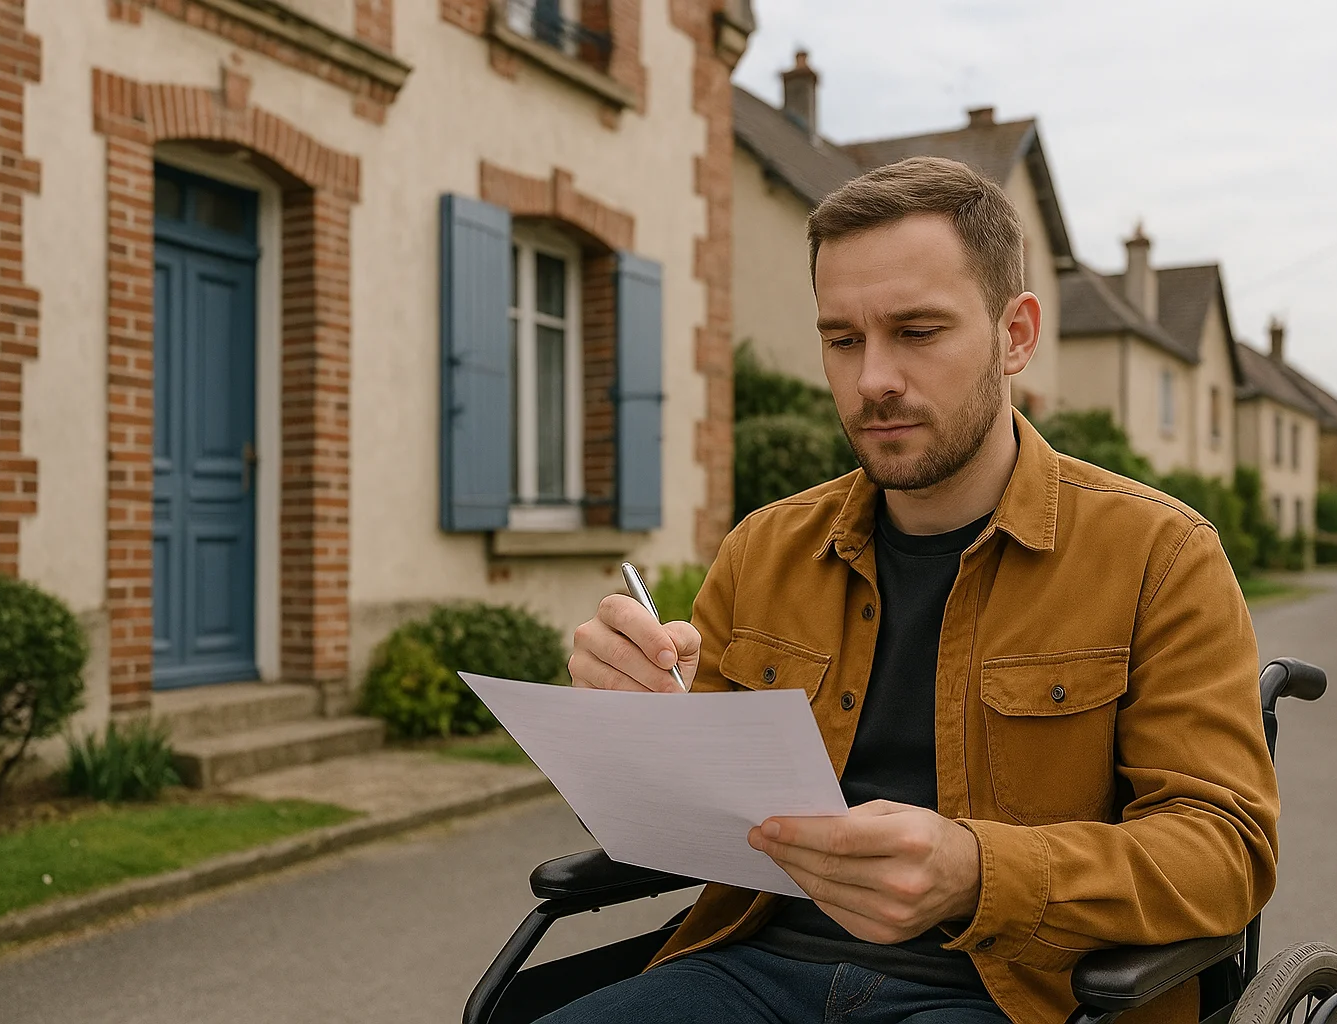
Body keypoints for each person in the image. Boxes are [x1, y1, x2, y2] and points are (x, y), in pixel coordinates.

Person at [548, 157, 1278, 1024]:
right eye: (843, 340)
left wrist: (977, 873)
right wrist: (626, 722)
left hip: (1020, 996)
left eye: (918, 332)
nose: (871, 382)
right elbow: (676, 822)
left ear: (1016, 334)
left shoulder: (1159, 556)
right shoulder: (764, 549)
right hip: (748, 970)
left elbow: (1226, 853)